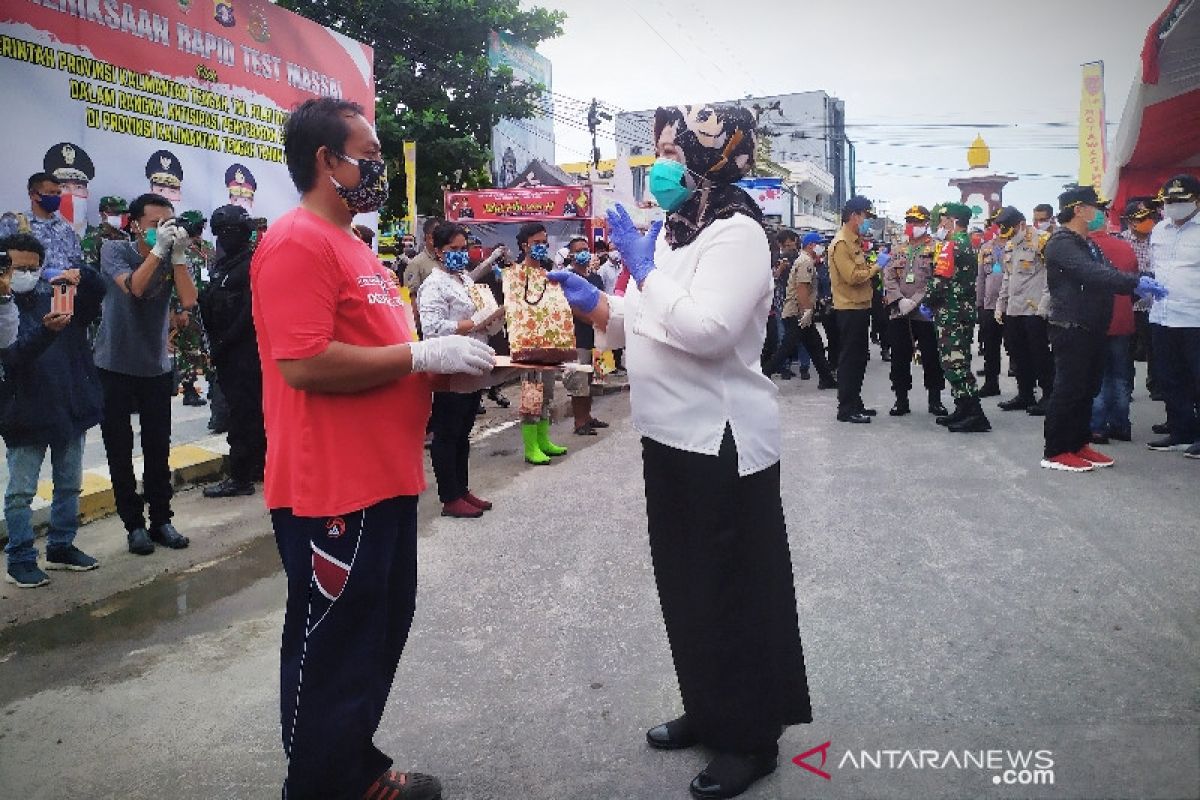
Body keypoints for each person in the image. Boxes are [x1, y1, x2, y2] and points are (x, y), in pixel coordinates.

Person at [550, 103, 811, 800]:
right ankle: (709, 703)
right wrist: (601, 309)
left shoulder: (739, 233)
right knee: (689, 586)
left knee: (731, 588)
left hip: (720, 439)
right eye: (660, 148)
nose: (662, 162)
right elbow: (651, 318)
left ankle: (750, 736)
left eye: (674, 149)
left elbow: (707, 331)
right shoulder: (678, 229)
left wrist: (644, 271)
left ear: (717, 155)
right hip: (667, 434)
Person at [252, 97, 494, 800]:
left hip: (384, 476)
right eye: (370, 154)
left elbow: (384, 356)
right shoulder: (297, 241)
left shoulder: (356, 246)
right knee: (332, 646)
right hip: (332, 486)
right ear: (329, 161)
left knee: (372, 639)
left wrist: (447, 364)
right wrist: (420, 353)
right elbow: (302, 364)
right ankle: (324, 786)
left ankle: (352, 768)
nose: (378, 167)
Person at [1, 233, 105, 587]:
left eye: (33, 268)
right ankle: (20, 558)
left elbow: (96, 298)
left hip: (68, 407)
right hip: (23, 414)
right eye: (17, 268)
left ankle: (61, 546)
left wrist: (82, 276)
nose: (25, 274)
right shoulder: (4, 309)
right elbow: (12, 357)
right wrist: (45, 333)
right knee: (20, 493)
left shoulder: (56, 299)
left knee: (68, 485)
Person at [95, 193, 196, 554]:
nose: (161, 230)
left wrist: (179, 256)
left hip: (155, 367)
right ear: (135, 224)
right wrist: (158, 253)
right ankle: (133, 525)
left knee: (158, 448)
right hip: (114, 365)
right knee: (119, 450)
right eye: (154, 224)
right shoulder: (114, 251)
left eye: (167, 223)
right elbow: (135, 288)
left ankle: (162, 520)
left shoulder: (171, 257)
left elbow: (188, 300)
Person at [1040, 186, 1164, 472]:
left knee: (1088, 388)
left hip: (1093, 326)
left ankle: (1078, 443)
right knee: (1069, 389)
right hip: (1071, 325)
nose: (1100, 213)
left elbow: (1109, 270)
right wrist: (1134, 283)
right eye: (1096, 207)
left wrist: (1143, 279)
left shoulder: (1087, 242)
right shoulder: (1061, 242)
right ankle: (1056, 449)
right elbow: (1091, 273)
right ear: (1079, 209)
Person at [417, 221, 505, 517]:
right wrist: (472, 324)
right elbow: (431, 329)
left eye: (463, 248)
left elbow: (482, 313)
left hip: (473, 366)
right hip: (449, 368)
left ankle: (462, 489)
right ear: (438, 251)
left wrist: (493, 319)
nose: (459, 254)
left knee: (464, 431)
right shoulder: (434, 284)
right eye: (452, 249)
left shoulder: (465, 280)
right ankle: (449, 497)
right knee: (447, 432)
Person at [198, 205, 266, 498]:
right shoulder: (223, 265)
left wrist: (223, 344)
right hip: (227, 351)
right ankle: (255, 467)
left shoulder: (251, 264)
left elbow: (250, 312)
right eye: (222, 232)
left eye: (231, 231)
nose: (225, 237)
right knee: (246, 413)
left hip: (243, 353)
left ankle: (240, 476)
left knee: (243, 415)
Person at [1146, 174, 1200, 458]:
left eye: (1180, 201)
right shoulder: (1159, 230)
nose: (1174, 206)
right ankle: (1181, 432)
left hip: (1195, 318)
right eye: (1169, 201)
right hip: (1163, 316)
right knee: (1169, 378)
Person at [508, 222, 570, 465]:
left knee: (547, 393)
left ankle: (544, 440)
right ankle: (530, 446)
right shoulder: (515, 274)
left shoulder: (549, 273)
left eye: (545, 242)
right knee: (531, 395)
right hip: (528, 345)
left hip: (549, 343)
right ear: (525, 245)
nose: (542, 247)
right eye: (537, 243)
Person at [927, 202, 990, 433]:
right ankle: (963, 408)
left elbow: (938, 282)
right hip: (960, 312)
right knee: (958, 361)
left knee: (955, 364)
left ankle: (974, 414)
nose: (940, 224)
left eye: (943, 219)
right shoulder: (967, 244)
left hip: (950, 314)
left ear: (954, 221)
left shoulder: (951, 246)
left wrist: (926, 301)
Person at [883, 206, 946, 416]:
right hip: (900, 312)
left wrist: (916, 300)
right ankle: (901, 399)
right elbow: (888, 276)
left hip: (926, 313)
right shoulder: (899, 248)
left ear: (926, 224)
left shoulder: (937, 248)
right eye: (909, 221)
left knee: (931, 357)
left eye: (916, 222)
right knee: (899, 357)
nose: (912, 226)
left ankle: (935, 399)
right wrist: (900, 300)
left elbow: (938, 278)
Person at [993, 206, 1054, 416]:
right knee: (1016, 352)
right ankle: (1025, 393)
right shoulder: (1010, 244)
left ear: (1021, 224)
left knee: (1040, 354)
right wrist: (1000, 304)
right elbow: (1008, 278)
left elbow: (1050, 277)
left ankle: (1048, 396)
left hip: (1035, 309)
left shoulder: (1043, 241)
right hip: (1014, 309)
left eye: (1010, 229)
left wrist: (1044, 306)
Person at [828, 195, 881, 422]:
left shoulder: (855, 241)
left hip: (860, 307)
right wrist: (877, 267)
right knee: (850, 359)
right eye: (865, 216)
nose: (867, 221)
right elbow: (851, 276)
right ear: (854, 216)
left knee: (860, 358)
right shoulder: (841, 243)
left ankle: (855, 402)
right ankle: (846, 409)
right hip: (849, 308)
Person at [761, 232, 836, 388]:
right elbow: (802, 288)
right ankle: (763, 375)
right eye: (820, 244)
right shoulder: (805, 262)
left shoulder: (805, 260)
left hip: (798, 312)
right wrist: (807, 312)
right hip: (797, 313)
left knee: (815, 346)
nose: (823, 248)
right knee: (786, 348)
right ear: (811, 245)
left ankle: (826, 379)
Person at [1088, 220, 1139, 443]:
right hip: (1123, 317)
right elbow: (1133, 282)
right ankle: (1121, 424)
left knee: (1098, 375)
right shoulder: (1125, 247)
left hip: (1096, 319)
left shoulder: (1085, 248)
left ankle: (1097, 427)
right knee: (1120, 375)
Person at [0, 172, 84, 280]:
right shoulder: (15, 223)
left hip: (64, 291)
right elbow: (4, 260)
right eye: (51, 193)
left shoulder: (65, 228)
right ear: (33, 195)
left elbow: (76, 261)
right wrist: (46, 274)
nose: (56, 197)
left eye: (58, 193)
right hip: (30, 290)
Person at [563, 236, 608, 435]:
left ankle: (588, 416)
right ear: (571, 254)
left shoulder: (595, 277)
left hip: (597, 337)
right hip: (578, 337)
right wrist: (594, 319)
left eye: (586, 249)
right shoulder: (568, 278)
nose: (584, 252)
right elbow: (570, 308)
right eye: (579, 249)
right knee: (578, 381)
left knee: (592, 379)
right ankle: (579, 422)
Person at [1120, 197, 1162, 399]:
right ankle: (1125, 388)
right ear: (1130, 221)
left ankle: (1157, 386)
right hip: (1130, 306)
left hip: (1155, 306)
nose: (1148, 220)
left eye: (1150, 216)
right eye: (1142, 217)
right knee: (1125, 351)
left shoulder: (1160, 239)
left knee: (1155, 349)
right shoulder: (1121, 241)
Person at [172, 210, 212, 407]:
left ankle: (214, 386)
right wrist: (180, 309)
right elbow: (174, 281)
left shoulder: (206, 248)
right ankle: (188, 389)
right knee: (189, 349)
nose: (201, 230)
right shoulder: (179, 248)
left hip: (207, 303)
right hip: (188, 306)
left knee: (207, 347)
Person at [975, 229, 1005, 397]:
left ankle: (1027, 390)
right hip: (989, 305)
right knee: (991, 347)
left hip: (1011, 305)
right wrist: (979, 303)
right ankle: (991, 383)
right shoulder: (986, 248)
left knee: (1018, 347)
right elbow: (980, 277)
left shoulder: (1017, 246)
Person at [402, 216, 442, 329]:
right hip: (426, 326)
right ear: (429, 237)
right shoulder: (417, 263)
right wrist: (416, 327)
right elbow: (411, 296)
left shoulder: (445, 260)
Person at [81, 196, 130, 268]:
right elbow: (90, 271)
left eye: (123, 213)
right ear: (102, 214)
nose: (120, 216)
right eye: (116, 213)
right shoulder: (91, 239)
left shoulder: (125, 236)